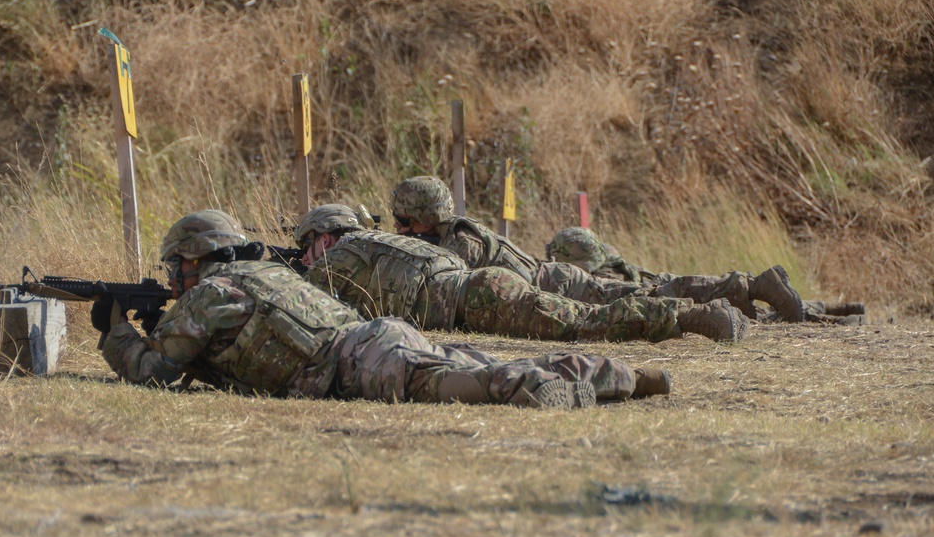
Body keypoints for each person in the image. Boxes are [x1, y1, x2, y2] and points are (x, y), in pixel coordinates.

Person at [91, 210, 674, 409]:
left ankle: (543, 390)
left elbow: (157, 375)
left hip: (357, 363)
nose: (172, 278)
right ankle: (618, 376)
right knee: (469, 358)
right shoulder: (261, 272)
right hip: (377, 335)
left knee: (461, 381)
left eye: (176, 266)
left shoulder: (205, 298)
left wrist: (117, 332)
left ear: (192, 260)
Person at [296, 204, 748, 344]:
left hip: (478, 298)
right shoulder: (376, 244)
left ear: (326, 239)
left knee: (581, 324)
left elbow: (318, 314)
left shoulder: (338, 263)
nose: (309, 258)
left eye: (308, 248)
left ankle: (689, 317)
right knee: (580, 312)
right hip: (482, 286)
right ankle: (693, 310)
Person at [388, 176, 807, 323]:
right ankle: (743, 287)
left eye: (403, 222)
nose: (398, 229)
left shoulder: (462, 241)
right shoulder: (456, 234)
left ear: (422, 218)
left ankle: (743, 286)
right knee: (647, 292)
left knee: (649, 294)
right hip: (555, 282)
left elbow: (442, 281)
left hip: (558, 284)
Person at [547, 227, 866, 325]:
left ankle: (826, 314)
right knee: (768, 309)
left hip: (666, 290)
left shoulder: (596, 278)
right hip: (667, 279)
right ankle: (832, 313)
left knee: (748, 309)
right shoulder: (613, 259)